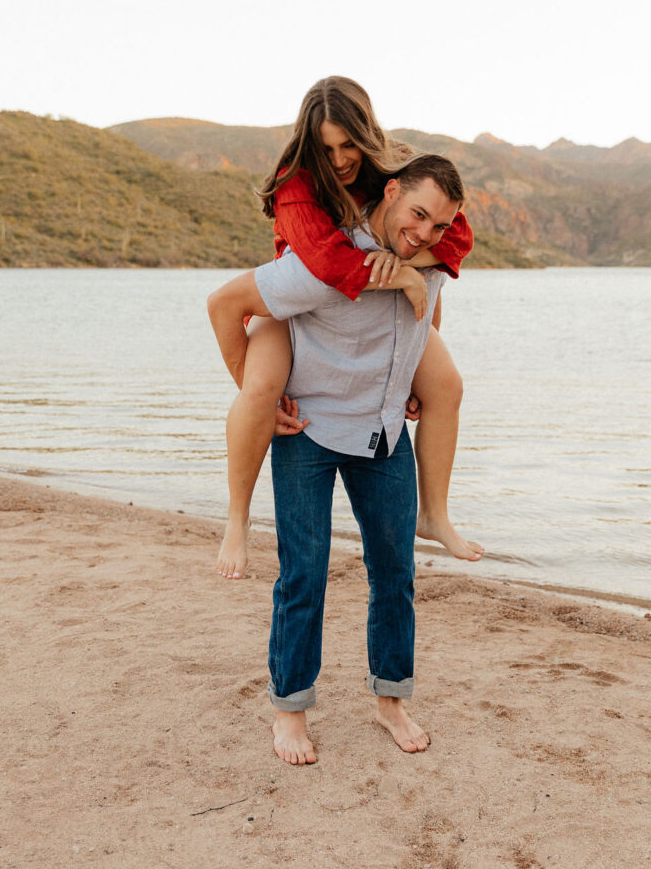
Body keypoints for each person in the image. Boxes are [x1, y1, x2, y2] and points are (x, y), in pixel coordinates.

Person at [207, 153, 465, 763]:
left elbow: (426, 322)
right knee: (304, 577)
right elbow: (227, 305)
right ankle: (290, 710)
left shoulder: (427, 261)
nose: (425, 232)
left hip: (381, 436)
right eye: (418, 214)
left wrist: (412, 382)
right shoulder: (322, 262)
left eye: (439, 225)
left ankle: (390, 701)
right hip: (310, 434)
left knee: (394, 575)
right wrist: (255, 392)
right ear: (393, 190)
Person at [216, 76, 483, 581]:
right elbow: (322, 263)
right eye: (327, 148)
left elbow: (457, 232)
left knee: (446, 385)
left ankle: (435, 514)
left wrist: (411, 262)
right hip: (297, 295)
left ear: (366, 134)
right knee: (260, 389)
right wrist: (397, 273)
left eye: (349, 145)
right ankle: (236, 519)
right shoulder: (297, 182)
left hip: (368, 292)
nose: (340, 160)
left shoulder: (391, 167)